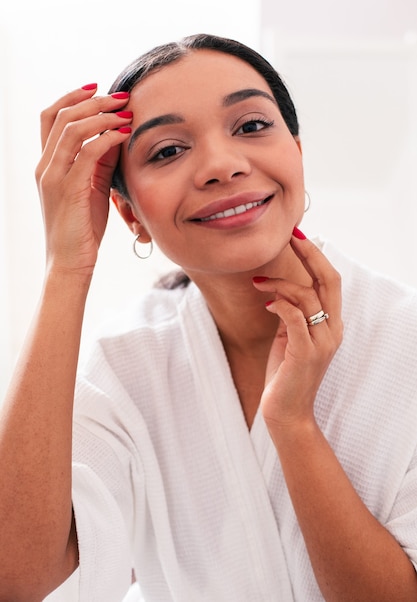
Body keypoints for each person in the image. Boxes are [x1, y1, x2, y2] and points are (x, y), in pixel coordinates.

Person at [0, 33, 417, 602]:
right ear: (129, 214)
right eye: (168, 151)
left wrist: (293, 426)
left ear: (297, 152)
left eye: (250, 126)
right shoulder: (127, 367)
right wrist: (66, 269)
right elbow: (19, 578)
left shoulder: (405, 337)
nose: (221, 166)